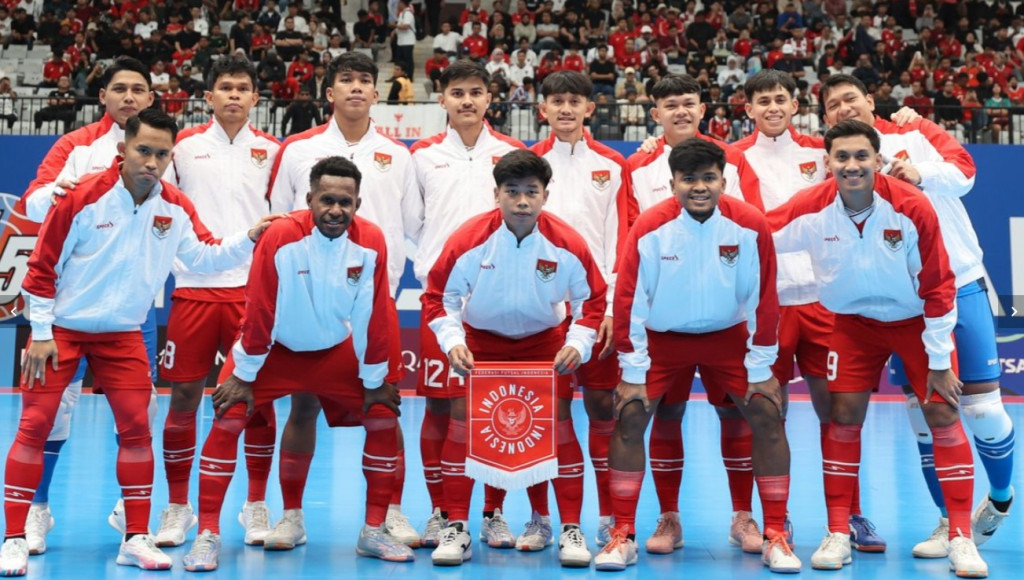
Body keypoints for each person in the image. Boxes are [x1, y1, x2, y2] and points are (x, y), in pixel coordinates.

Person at [0, 109, 278, 577]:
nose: (151, 162)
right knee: (34, 426)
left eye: (162, 154)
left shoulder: (176, 206)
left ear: (171, 157)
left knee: (136, 431)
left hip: (123, 335)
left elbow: (204, 256)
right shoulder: (82, 196)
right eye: (143, 150)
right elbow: (41, 268)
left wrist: (250, 237)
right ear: (122, 149)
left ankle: (134, 537)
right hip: (62, 333)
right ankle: (12, 539)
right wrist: (42, 333)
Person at [767, 119, 988, 578]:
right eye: (842, 157)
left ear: (878, 159)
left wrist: (940, 360)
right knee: (843, 417)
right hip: (853, 325)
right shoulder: (810, 206)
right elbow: (755, 233)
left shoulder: (911, 205)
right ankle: (838, 532)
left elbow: (939, 286)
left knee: (942, 414)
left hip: (915, 322)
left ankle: (961, 537)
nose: (852, 165)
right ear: (827, 162)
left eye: (861, 156)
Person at [182, 156, 414, 571]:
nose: (335, 210)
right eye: (327, 200)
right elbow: (260, 308)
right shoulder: (281, 235)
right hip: (274, 349)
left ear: (358, 204)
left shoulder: (371, 241)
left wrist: (374, 378)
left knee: (382, 415)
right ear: (309, 199)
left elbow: (372, 313)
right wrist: (245, 375)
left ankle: (373, 530)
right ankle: (209, 535)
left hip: (333, 348)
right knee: (228, 415)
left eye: (345, 202)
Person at [819, 74, 1016, 560]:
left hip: (960, 284)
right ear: (825, 118)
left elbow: (965, 172)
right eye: (833, 104)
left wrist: (918, 173)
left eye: (851, 98)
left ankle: (1000, 498)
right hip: (905, 305)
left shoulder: (915, 131)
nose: (844, 108)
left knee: (984, 411)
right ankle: (950, 523)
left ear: (871, 100)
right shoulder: (837, 160)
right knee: (925, 419)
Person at [733, 70, 921, 554]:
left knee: (838, 413)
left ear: (795, 106)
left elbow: (874, 149)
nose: (773, 107)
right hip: (766, 305)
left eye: (781, 99)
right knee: (765, 413)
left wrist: (912, 120)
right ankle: (775, 521)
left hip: (822, 300)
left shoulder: (827, 150)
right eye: (762, 101)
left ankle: (849, 517)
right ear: (747, 109)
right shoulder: (732, 157)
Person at [595, 137, 800, 574]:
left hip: (727, 336)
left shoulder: (749, 224)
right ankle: (626, 532)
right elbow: (629, 298)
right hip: (664, 338)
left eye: (709, 178)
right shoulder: (651, 226)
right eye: (689, 179)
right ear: (673, 183)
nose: (700, 187)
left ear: (724, 181)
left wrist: (761, 365)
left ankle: (774, 532)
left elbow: (764, 297)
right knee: (631, 414)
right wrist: (633, 369)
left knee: (766, 412)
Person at [265, 51, 421, 551]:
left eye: (365, 80)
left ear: (377, 93)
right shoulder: (297, 149)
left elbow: (412, 227)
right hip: (309, 304)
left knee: (384, 408)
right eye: (346, 79)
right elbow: (279, 222)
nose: (356, 87)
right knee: (303, 405)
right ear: (329, 92)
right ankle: (291, 517)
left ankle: (391, 513)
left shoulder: (399, 155)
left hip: (375, 304)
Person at [422, 150, 606, 567]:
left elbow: (592, 299)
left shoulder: (567, 242)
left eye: (531, 192)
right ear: (497, 194)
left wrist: (579, 342)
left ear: (545, 196)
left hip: (545, 345)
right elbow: (438, 297)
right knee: (463, 425)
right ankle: (456, 526)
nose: (522, 201)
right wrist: (452, 340)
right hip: (480, 345)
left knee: (555, 429)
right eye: (512, 191)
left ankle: (565, 526)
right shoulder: (469, 239)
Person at [15, 56, 164, 556]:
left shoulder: (165, 149)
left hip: (130, 311)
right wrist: (57, 195)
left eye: (138, 89)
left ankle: (131, 515)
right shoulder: (75, 146)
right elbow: (33, 202)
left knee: (139, 411)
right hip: (67, 308)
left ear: (150, 98)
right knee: (52, 412)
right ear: (102, 96)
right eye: (119, 88)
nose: (129, 96)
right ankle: (37, 510)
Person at [628, 74, 766, 554]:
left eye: (689, 102)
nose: (681, 111)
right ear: (656, 113)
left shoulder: (734, 160)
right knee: (667, 413)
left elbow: (752, 227)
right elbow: (631, 238)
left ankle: (743, 516)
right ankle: (669, 518)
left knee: (737, 414)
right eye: (671, 104)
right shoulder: (637, 165)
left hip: (725, 317)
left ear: (703, 108)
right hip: (664, 318)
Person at [151, 54, 282, 550]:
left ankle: (256, 503)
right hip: (193, 289)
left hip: (253, 293)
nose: (233, 95)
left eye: (242, 88)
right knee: (183, 399)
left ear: (255, 98)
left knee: (257, 401)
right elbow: (165, 209)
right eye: (225, 87)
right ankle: (177, 507)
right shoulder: (183, 148)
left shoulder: (273, 151)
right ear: (208, 97)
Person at [409, 60, 525, 550]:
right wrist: (437, 267)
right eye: (457, 93)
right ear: (442, 100)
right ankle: (441, 512)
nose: (467, 101)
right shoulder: (422, 155)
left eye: (476, 92)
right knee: (439, 408)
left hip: (499, 300)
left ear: (489, 99)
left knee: (496, 408)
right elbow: (413, 223)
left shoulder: (512, 153)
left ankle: (493, 513)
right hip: (443, 304)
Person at [530, 70, 635, 550]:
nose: (566, 109)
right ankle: (540, 519)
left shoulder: (612, 164)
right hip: (542, 310)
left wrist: (609, 306)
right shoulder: (529, 162)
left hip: (596, 309)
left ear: (590, 108)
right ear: (543, 109)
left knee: (601, 409)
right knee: (544, 414)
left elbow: (621, 240)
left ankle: (610, 516)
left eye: (575, 101)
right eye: (557, 101)